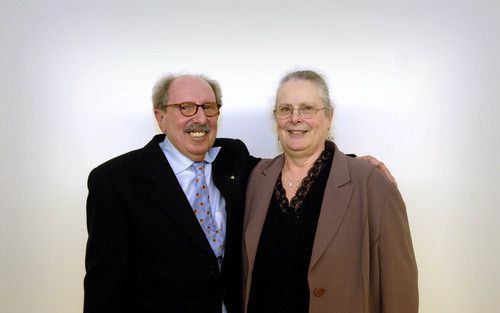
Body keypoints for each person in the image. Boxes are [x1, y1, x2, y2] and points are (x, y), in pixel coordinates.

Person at [84, 73, 397, 313]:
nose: (200, 118)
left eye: (209, 107)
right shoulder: (115, 181)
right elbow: (104, 289)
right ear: (160, 116)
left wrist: (352, 165)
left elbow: (294, 163)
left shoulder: (233, 158)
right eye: (185, 107)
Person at [242, 70, 418, 313]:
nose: (295, 118)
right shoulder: (255, 178)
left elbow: (400, 285)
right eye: (285, 109)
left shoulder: (371, 184)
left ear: (329, 117)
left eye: (307, 108)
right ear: (276, 118)